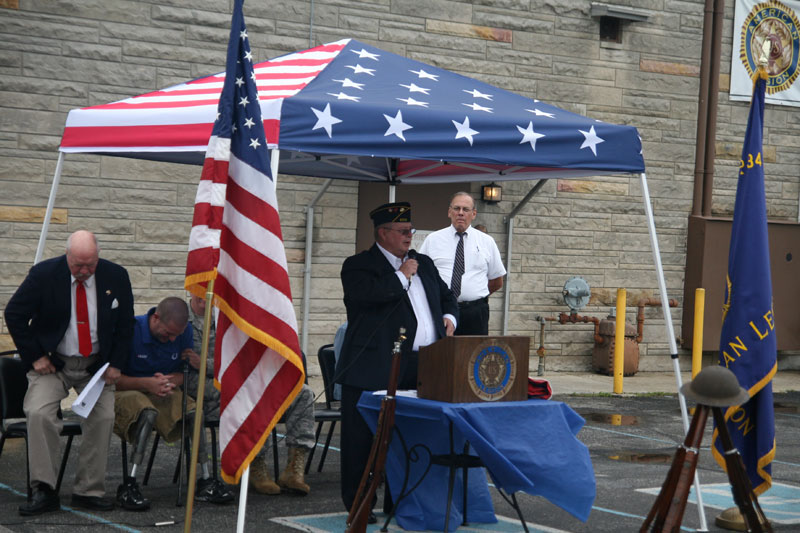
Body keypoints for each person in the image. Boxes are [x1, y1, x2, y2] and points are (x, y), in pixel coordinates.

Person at [336, 201, 458, 520]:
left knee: (410, 440)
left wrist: (448, 317)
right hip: (373, 368)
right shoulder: (359, 265)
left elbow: (446, 297)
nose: (409, 237)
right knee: (364, 443)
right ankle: (360, 506)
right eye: (403, 232)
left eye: (411, 231)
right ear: (383, 233)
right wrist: (401, 276)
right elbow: (370, 298)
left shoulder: (424, 263)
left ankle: (402, 503)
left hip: (423, 367)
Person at [4, 230, 134, 516]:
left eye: (91, 264)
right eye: (79, 265)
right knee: (39, 413)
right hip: (53, 363)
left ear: (98, 256)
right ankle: (44, 490)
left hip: (96, 366)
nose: (85, 271)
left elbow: (126, 325)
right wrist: (35, 356)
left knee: (103, 417)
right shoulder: (43, 274)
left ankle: (88, 491)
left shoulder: (116, 276)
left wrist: (116, 364)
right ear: (67, 256)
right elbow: (13, 313)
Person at [185, 293, 315, 496]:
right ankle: (256, 464)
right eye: (199, 291)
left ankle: (294, 467)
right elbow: (188, 372)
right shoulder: (181, 320)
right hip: (208, 392)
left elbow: (241, 361)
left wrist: (206, 364)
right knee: (251, 395)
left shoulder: (230, 315)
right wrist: (215, 370)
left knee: (303, 393)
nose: (204, 297)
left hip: (238, 381)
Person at [113, 297, 233, 510]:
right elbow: (113, 379)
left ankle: (204, 480)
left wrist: (169, 381)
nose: (171, 340)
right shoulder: (130, 330)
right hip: (128, 388)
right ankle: (129, 483)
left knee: (195, 412)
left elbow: (184, 373)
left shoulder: (183, 332)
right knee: (146, 411)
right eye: (167, 334)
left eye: (175, 336)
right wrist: (147, 383)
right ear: (155, 318)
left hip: (164, 387)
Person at [419, 192, 506, 335]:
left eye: (465, 209)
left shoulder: (486, 242)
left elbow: (497, 280)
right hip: (441, 310)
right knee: (440, 355)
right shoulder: (433, 240)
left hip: (475, 314)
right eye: (456, 208)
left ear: (473, 214)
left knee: (473, 356)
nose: (460, 213)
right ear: (449, 212)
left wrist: (473, 296)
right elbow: (422, 276)